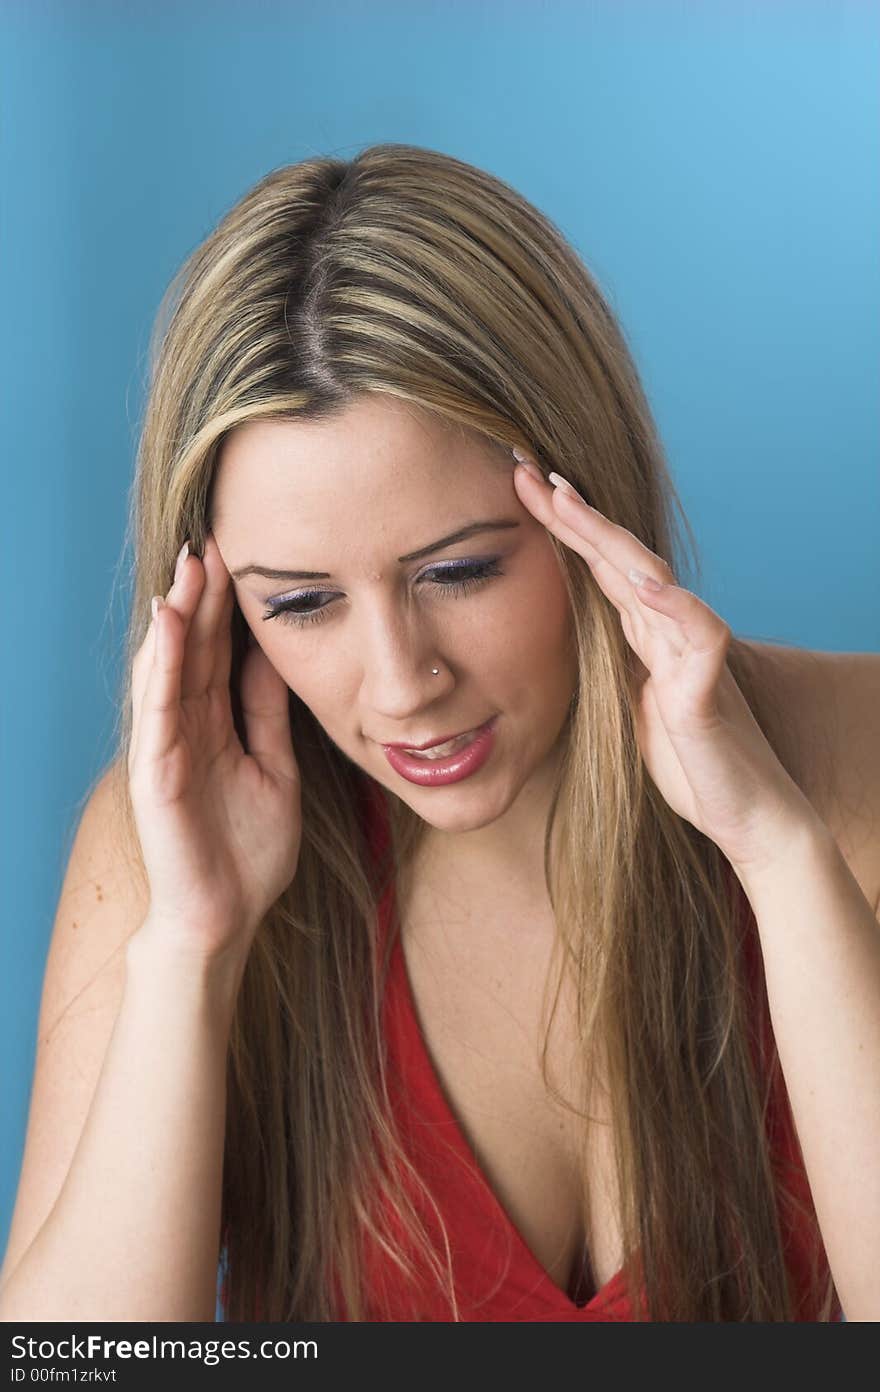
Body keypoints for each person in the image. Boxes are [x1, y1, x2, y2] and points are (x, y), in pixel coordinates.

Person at [1, 143, 877, 1323]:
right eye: (301, 602)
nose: (401, 683)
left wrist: (777, 854)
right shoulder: (171, 849)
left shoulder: (852, 754)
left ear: (588, 503)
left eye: (457, 571)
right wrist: (193, 950)